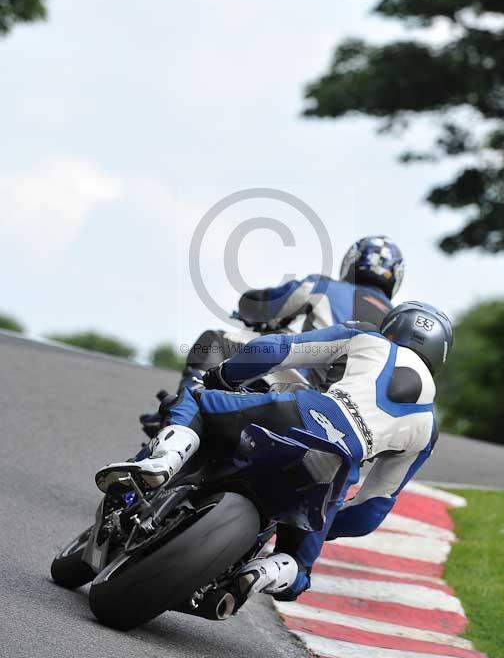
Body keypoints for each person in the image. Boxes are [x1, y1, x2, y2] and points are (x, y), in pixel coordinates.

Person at [97, 300, 452, 605]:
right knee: (299, 571)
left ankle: (164, 460)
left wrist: (225, 376)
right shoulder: (427, 428)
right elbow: (370, 511)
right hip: (332, 472)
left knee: (196, 398)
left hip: (294, 414)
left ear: (391, 327)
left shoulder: (368, 340)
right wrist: (321, 524)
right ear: (441, 355)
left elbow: (277, 349)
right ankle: (266, 571)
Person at [140, 235, 404, 437]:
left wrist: (252, 305)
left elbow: (267, 306)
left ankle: (178, 417)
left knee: (216, 338)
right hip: (348, 421)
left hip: (299, 385)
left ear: (352, 261)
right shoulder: (398, 324)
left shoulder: (324, 287)